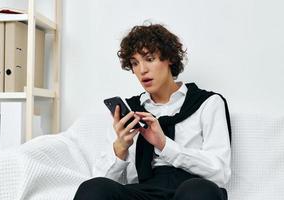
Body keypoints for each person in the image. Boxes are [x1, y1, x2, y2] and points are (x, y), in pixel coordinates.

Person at [74, 23, 231, 200]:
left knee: (199, 190)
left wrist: (164, 145)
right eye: (135, 63)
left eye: (149, 59)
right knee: (94, 188)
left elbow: (220, 172)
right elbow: (101, 182)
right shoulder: (130, 111)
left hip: (191, 191)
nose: (142, 70)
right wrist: (120, 147)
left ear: (170, 58)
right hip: (144, 192)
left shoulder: (207, 103)